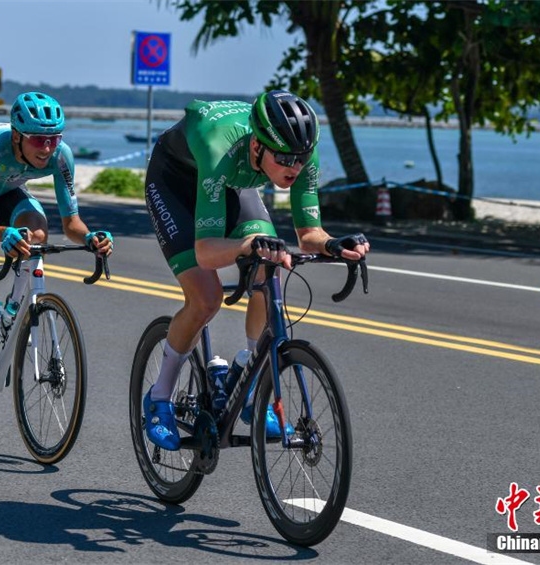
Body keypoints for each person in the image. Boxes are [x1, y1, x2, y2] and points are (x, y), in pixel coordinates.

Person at [143, 90, 370, 450]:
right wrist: (245, 246)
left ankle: (248, 382)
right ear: (257, 147)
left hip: (231, 183)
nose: (294, 167)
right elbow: (205, 253)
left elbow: (309, 234)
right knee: (206, 298)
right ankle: (159, 398)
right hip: (176, 182)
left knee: (271, 265)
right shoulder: (220, 148)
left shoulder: (297, 152)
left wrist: (333, 244)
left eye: (301, 158)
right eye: (284, 158)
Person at [0, 91, 114, 422]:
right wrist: (2, 233)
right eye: (39, 140)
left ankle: (11, 308)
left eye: (54, 139)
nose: (47, 148)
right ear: (18, 136)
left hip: (8, 191)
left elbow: (71, 223)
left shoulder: (61, 156)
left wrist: (91, 237)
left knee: (38, 232)